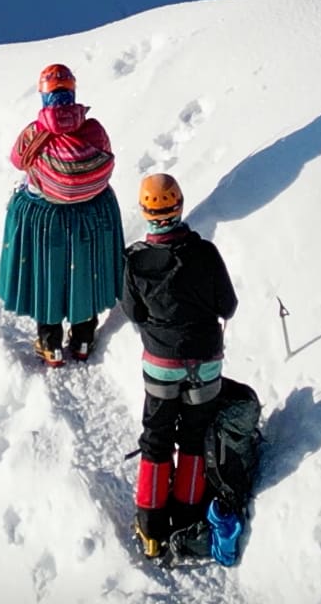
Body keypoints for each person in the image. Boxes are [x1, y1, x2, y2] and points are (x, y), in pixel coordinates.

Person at [121, 171, 238, 559]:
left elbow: (134, 311)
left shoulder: (134, 261)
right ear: (180, 204)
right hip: (205, 362)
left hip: (160, 362)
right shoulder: (205, 254)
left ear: (144, 211)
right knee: (194, 436)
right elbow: (228, 307)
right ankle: (187, 518)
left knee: (155, 437)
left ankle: (151, 527)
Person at [0, 63, 122, 365]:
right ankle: (83, 340)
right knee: (84, 273)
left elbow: (17, 160)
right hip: (90, 214)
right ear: (73, 93)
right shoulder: (93, 128)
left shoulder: (36, 133)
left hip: (46, 216)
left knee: (47, 276)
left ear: (44, 96)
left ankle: (50, 344)